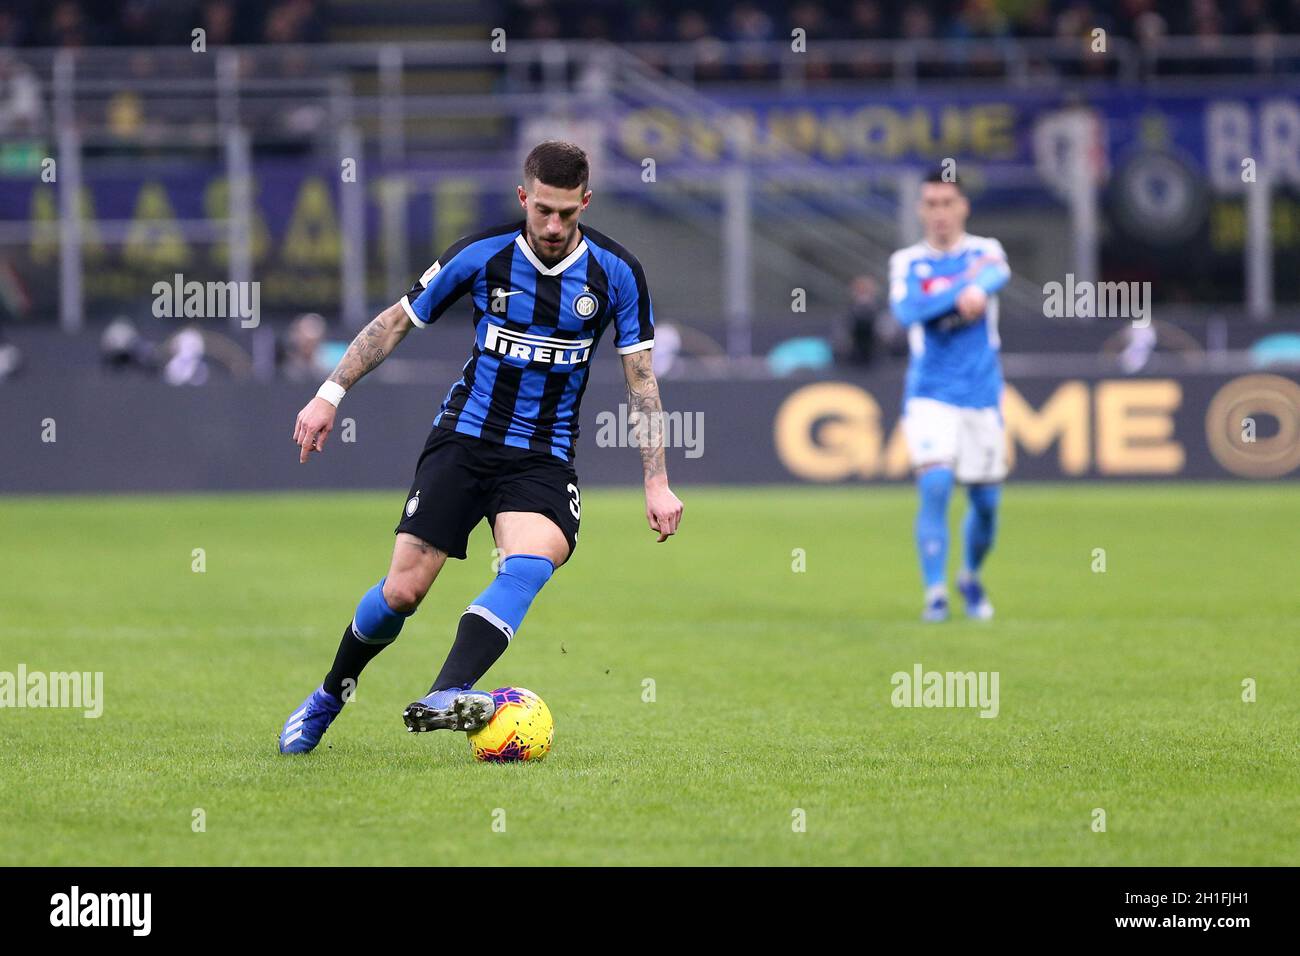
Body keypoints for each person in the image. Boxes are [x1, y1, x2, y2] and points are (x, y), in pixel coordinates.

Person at [278, 141, 684, 753]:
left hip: (542, 455)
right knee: (403, 593)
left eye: (567, 214)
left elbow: (642, 379)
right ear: (524, 197)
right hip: (464, 438)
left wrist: (656, 480)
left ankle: (447, 691)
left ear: (586, 203)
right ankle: (331, 692)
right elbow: (394, 323)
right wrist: (329, 393)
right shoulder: (481, 255)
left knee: (532, 559)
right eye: (543, 210)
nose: (553, 226)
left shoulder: (617, 273)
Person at [888, 169, 1010, 622]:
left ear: (963, 207)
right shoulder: (908, 262)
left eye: (947, 203)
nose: (939, 213)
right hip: (930, 395)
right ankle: (935, 593)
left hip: (981, 394)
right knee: (936, 484)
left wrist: (975, 286)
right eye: (931, 204)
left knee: (986, 504)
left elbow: (998, 273)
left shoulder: (985, 251)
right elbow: (907, 311)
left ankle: (970, 576)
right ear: (921, 210)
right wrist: (964, 288)